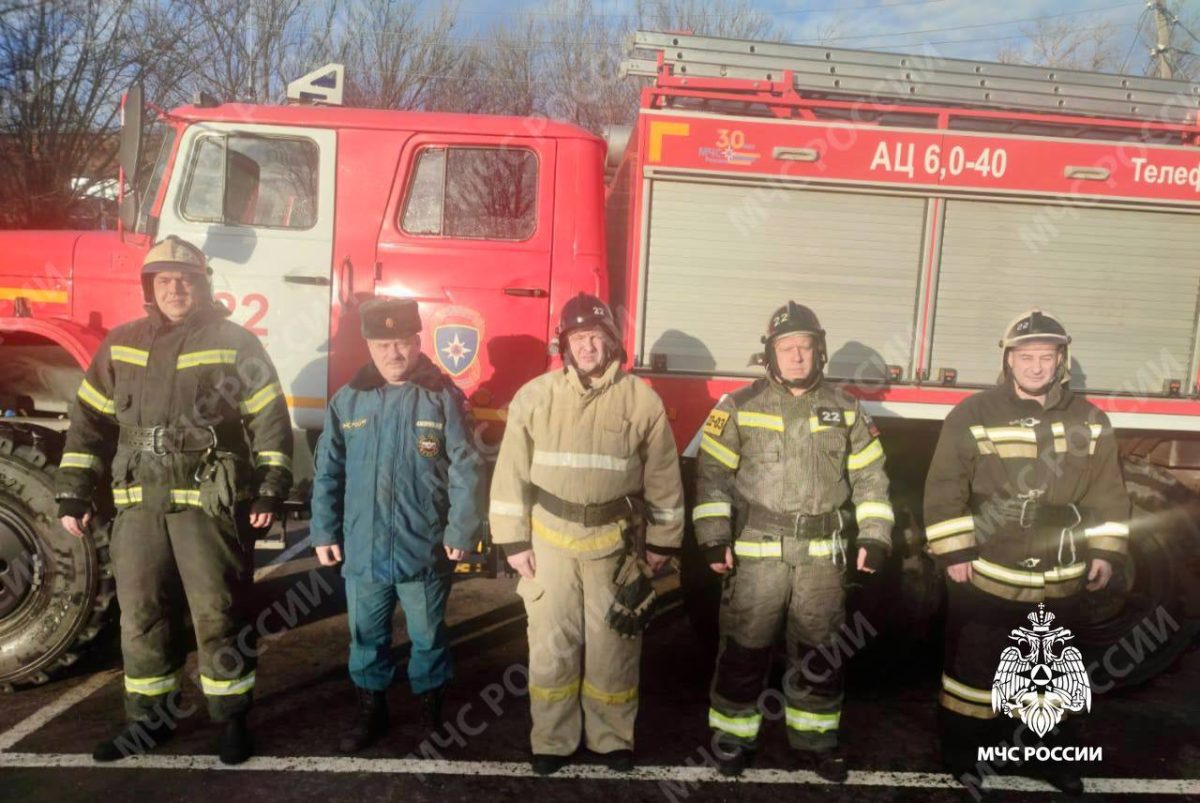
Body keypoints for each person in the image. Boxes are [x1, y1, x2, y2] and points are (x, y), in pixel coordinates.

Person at [56, 235, 293, 764]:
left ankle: (231, 721)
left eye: (186, 279)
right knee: (141, 615)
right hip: (138, 504)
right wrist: (73, 492)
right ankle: (147, 722)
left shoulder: (234, 341)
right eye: (164, 280)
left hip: (207, 504)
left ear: (203, 285)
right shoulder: (120, 344)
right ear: (149, 287)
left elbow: (271, 420)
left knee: (219, 612)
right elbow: (89, 422)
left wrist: (272, 488)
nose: (175, 287)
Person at [924, 309, 1131, 796]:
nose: (1036, 366)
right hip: (989, 566)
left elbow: (1108, 491)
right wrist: (954, 551)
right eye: (1026, 356)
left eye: (1046, 356)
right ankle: (965, 755)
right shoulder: (973, 413)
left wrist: (1106, 551)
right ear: (1009, 360)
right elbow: (944, 485)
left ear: (1062, 360)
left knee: (1053, 668)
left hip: (1062, 570)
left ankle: (1048, 757)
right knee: (975, 672)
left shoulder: (1089, 419)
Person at [693, 301, 893, 781]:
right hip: (758, 550)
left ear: (819, 352)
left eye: (805, 347)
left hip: (823, 555)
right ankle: (731, 738)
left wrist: (876, 536)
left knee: (821, 650)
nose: (797, 357)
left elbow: (871, 480)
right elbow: (712, 477)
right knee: (744, 646)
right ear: (771, 355)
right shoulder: (737, 407)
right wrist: (713, 537)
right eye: (787, 348)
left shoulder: (846, 409)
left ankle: (816, 739)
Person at [489, 292, 684, 775]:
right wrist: (513, 541)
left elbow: (663, 476)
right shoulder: (535, 396)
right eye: (579, 338)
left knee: (614, 645)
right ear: (565, 345)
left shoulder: (641, 400)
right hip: (549, 541)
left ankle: (611, 738)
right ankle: (551, 741)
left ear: (612, 342)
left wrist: (663, 541)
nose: (589, 347)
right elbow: (510, 472)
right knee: (551, 645)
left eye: (597, 337)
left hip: (613, 547)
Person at [311, 296, 483, 754]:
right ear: (368, 345)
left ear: (417, 341)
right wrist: (324, 531)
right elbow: (328, 471)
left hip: (423, 548)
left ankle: (431, 713)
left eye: (402, 343)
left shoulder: (441, 398)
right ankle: (372, 712)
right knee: (366, 638)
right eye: (383, 344)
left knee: (428, 637)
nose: (393, 354)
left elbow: (467, 469)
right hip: (363, 548)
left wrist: (461, 532)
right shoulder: (347, 401)